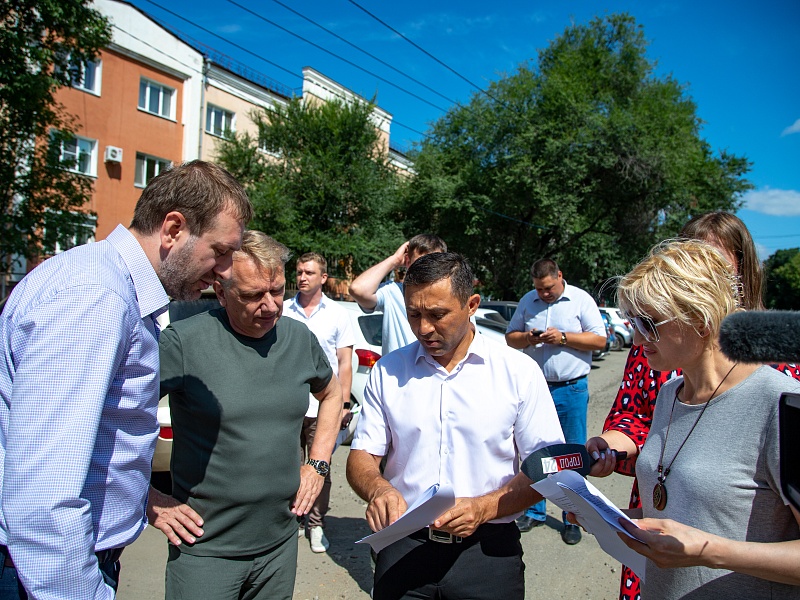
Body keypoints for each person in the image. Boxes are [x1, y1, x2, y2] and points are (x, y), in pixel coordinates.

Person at [0, 160, 252, 599]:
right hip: (43, 575)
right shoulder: (96, 298)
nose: (226, 270)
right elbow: (45, 496)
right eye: (221, 250)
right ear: (173, 229)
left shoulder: (106, 285)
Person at [591, 211, 800, 600]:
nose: (636, 340)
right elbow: (686, 515)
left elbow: (702, 540)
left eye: (648, 323)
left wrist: (708, 552)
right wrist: (610, 519)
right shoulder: (670, 394)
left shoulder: (780, 404)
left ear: (700, 319)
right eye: (633, 323)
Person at [346, 252, 564, 600]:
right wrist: (378, 489)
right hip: (402, 547)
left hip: (487, 555)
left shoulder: (518, 372)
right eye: (414, 314)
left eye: (437, 315)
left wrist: (484, 507)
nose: (423, 328)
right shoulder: (388, 371)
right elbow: (362, 456)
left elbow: (548, 468)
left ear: (472, 304)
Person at [146, 231, 342, 600]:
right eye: (253, 295)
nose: (270, 306)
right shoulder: (183, 343)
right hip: (205, 550)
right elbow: (113, 419)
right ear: (221, 293)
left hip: (279, 546)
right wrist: (148, 500)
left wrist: (317, 464)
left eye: (277, 291)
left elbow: (332, 394)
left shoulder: (298, 338)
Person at [504, 258, 606, 543]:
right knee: (534, 453)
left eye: (548, 288)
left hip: (571, 389)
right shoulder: (528, 300)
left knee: (572, 454)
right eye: (539, 289)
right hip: (536, 390)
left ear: (560, 276)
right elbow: (510, 338)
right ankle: (534, 511)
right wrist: (528, 337)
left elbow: (600, 341)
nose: (544, 294)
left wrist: (563, 338)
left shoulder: (581, 300)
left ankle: (572, 517)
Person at [284, 252, 355, 553]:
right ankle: (293, 519)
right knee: (288, 466)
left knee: (319, 467)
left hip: (323, 407)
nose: (302, 277)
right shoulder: (283, 310)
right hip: (288, 404)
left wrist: (344, 404)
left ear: (323, 277)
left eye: (309, 272)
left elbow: (345, 363)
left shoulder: (338, 314)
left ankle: (315, 524)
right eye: (299, 272)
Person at [349, 234, 447, 356]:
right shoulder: (392, 292)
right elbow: (357, 289)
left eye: (432, 263)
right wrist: (394, 260)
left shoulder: (451, 297)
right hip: (397, 368)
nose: (426, 269)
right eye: (419, 262)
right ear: (408, 262)